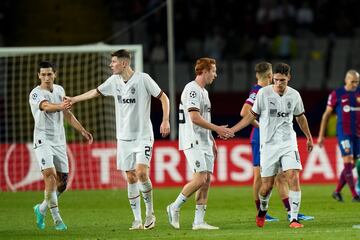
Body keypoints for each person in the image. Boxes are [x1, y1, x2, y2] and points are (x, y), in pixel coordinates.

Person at [65, 49, 170, 230]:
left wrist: (166, 119)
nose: (110, 64)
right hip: (123, 138)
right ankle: (137, 220)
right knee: (130, 177)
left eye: (113, 62)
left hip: (143, 136)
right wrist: (74, 99)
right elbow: (95, 92)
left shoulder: (143, 79)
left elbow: (164, 98)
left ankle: (150, 214)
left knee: (142, 173)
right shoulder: (114, 81)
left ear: (124, 63)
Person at [232, 62, 313, 228]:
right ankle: (262, 209)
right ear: (272, 78)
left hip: (288, 142)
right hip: (268, 145)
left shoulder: (295, 95)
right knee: (266, 186)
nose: (278, 83)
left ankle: (294, 218)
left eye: (282, 80)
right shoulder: (263, 93)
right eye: (276, 80)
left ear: (289, 78)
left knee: (293, 176)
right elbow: (250, 115)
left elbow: (300, 117)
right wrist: (233, 129)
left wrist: (309, 137)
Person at [166, 57, 234, 230]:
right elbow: (195, 118)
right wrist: (218, 129)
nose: (215, 75)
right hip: (192, 139)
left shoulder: (204, 92)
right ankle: (174, 207)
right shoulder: (192, 90)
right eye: (213, 71)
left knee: (207, 180)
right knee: (200, 178)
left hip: (204, 141)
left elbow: (204, 119)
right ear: (204, 71)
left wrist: (211, 139)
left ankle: (198, 221)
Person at [30, 61, 93, 231]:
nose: (46, 77)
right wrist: (60, 106)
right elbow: (46, 107)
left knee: (62, 183)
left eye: (49, 74)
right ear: (38, 76)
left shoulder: (59, 90)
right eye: (43, 74)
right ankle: (58, 220)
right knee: (50, 175)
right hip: (42, 139)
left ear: (55, 74)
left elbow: (67, 113)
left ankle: (41, 209)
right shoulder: (35, 94)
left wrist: (82, 130)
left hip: (59, 140)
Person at [317, 69, 360, 202]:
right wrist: (321, 135)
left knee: (353, 164)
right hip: (344, 132)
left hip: (357, 134)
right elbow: (326, 115)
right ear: (346, 80)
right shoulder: (337, 94)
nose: (354, 84)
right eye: (352, 81)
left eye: (357, 82)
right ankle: (355, 195)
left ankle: (337, 192)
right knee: (347, 159)